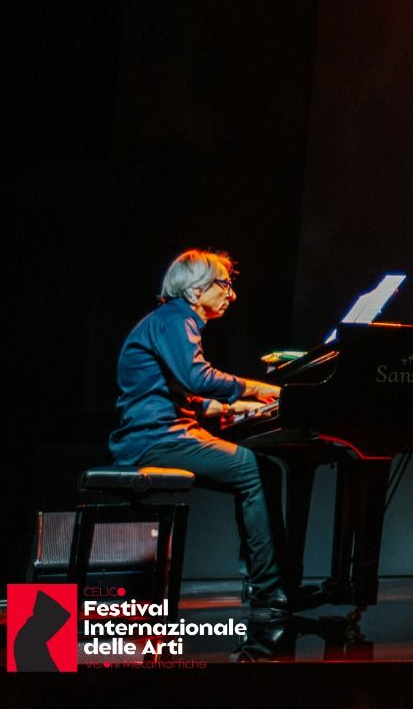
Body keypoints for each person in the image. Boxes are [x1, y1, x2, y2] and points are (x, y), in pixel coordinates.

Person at [108, 250, 289, 615]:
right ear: (195, 290)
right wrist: (260, 390)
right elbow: (197, 378)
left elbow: (188, 396)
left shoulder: (169, 320)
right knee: (257, 472)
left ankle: (263, 584)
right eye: (224, 284)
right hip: (156, 440)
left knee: (261, 470)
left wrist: (238, 407)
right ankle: (269, 591)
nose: (231, 294)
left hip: (160, 435)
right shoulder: (177, 319)